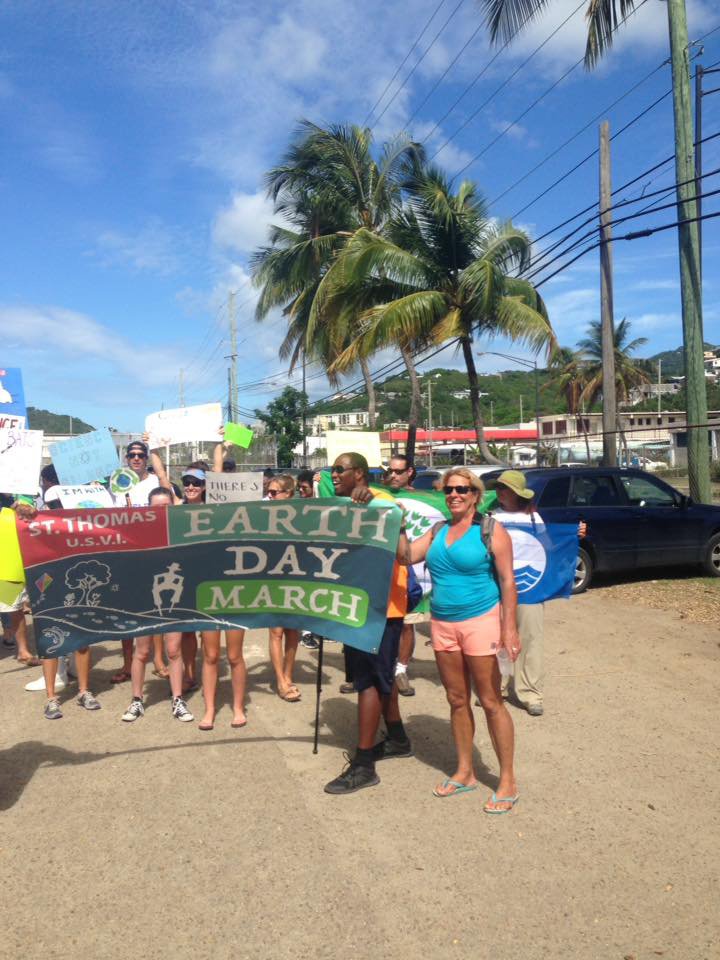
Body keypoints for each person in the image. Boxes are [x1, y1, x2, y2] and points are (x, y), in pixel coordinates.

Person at [397, 467, 521, 813]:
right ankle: (465, 771)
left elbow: (509, 582)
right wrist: (400, 525)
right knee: (455, 699)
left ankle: (507, 779)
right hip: (442, 624)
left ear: (475, 495)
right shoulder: (438, 531)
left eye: (462, 490)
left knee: (491, 700)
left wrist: (509, 628)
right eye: (449, 489)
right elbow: (406, 556)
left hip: (480, 621)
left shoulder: (491, 531)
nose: (454, 495)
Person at [324, 452, 411, 796]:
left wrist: (373, 495)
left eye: (340, 469)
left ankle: (363, 765)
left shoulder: (382, 501)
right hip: (356, 606)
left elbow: (402, 547)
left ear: (359, 474)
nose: (334, 475)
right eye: (332, 469)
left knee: (369, 682)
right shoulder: (344, 507)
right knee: (380, 677)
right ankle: (398, 738)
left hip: (381, 608)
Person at [490, 470, 585, 718]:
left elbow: (550, 547)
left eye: (505, 488)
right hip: (496, 588)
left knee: (531, 639)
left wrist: (574, 535)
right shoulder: (491, 518)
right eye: (498, 488)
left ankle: (530, 693)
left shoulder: (534, 519)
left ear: (517, 493)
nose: (499, 492)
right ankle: (495, 688)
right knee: (495, 639)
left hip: (529, 591)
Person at [121, 487, 194, 723]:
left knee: (173, 650)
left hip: (173, 599)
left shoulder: (183, 530)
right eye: (156, 507)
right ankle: (136, 700)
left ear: (172, 507)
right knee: (142, 651)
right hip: (145, 598)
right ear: (148, 508)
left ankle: (177, 699)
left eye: (166, 506)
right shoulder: (137, 532)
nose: (161, 511)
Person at [266, 474, 304, 701]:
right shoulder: (262, 516)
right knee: (276, 631)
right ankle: (280, 681)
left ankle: (288, 675)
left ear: (289, 493)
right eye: (268, 492)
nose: (269, 496)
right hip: (271, 580)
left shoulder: (302, 515)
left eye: (274, 492)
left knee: (292, 630)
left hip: (296, 580)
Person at [385, 454, 418, 697]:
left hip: (412, 567)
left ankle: (400, 669)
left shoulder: (428, 498)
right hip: (382, 567)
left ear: (410, 472)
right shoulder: (378, 496)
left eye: (398, 471)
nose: (393, 475)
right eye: (391, 471)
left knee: (408, 623)